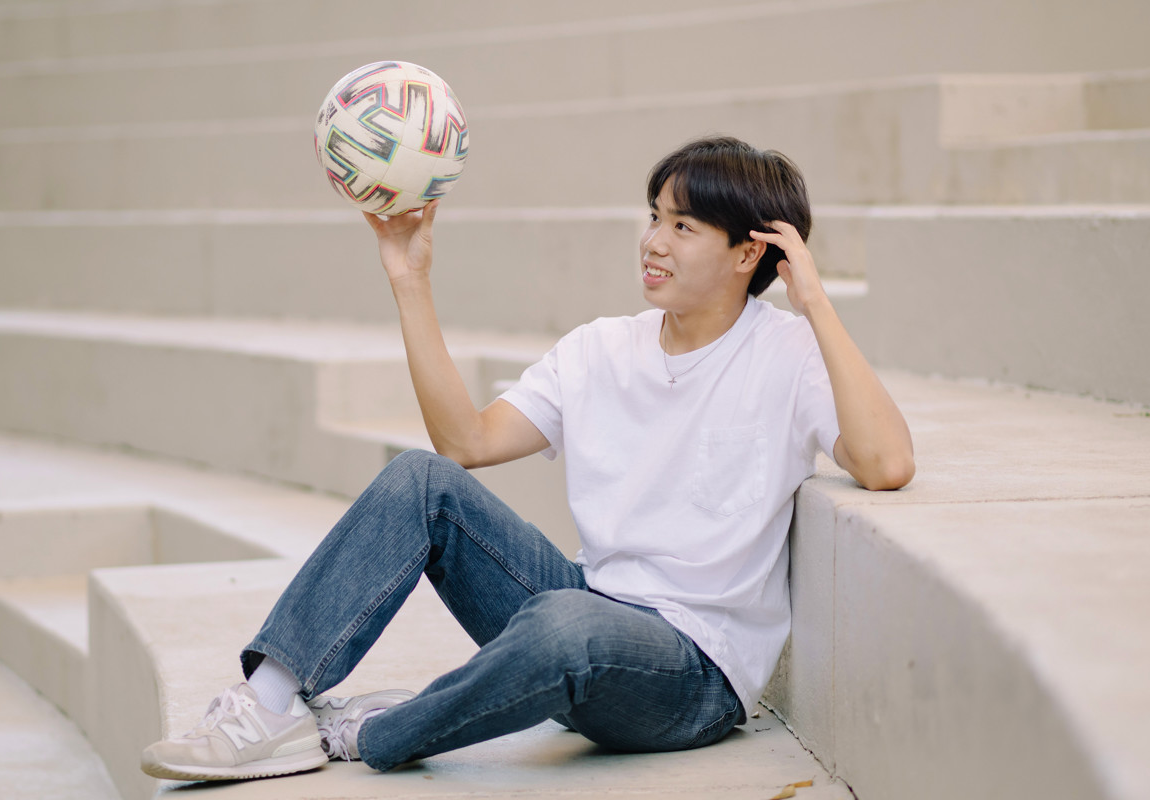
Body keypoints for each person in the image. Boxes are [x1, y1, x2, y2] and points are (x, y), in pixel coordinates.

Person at [141, 135, 914, 781]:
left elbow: (886, 463)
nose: (652, 241)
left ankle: (373, 735)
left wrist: (814, 302)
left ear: (750, 252)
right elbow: (466, 443)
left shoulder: (787, 351)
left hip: (691, 672)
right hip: (584, 610)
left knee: (563, 624)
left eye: (683, 227)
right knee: (422, 482)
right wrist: (411, 282)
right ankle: (268, 704)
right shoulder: (600, 349)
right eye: (654, 216)